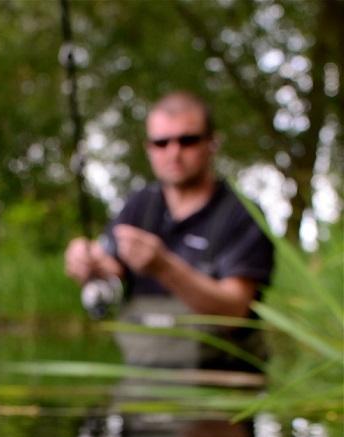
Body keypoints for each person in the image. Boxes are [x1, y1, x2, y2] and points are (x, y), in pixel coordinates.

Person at [64, 91, 274, 370]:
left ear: (212, 143)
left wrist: (165, 268)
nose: (174, 153)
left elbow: (235, 309)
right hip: (142, 379)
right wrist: (88, 262)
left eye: (187, 141)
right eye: (161, 143)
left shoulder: (242, 214)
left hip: (225, 383)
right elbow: (111, 265)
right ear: (149, 148)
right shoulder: (139, 205)